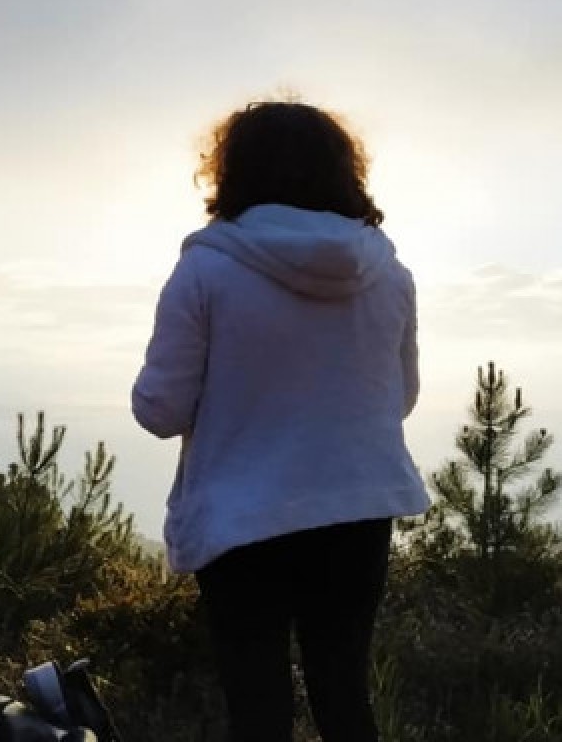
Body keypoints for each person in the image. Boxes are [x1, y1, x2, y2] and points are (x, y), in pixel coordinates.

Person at [131, 100, 430, 742]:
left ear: (233, 172)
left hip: (244, 520)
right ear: (343, 171)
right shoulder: (389, 274)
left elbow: (159, 411)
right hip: (357, 509)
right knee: (345, 695)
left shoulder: (206, 269)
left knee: (258, 706)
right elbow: (399, 397)